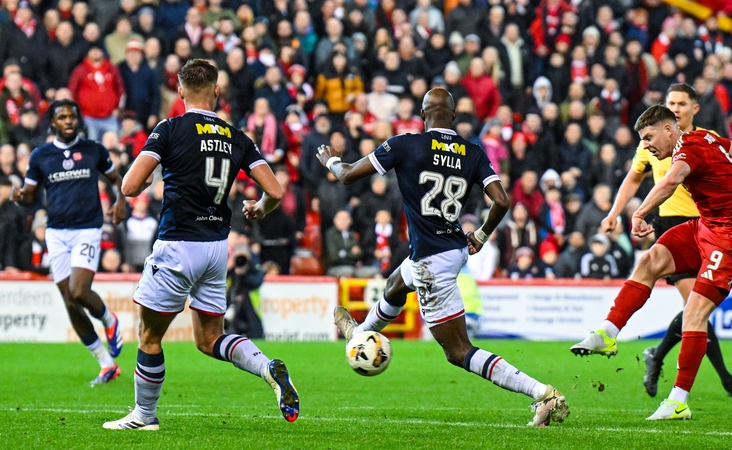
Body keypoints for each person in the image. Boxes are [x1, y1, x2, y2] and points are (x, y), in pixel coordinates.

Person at [316, 88, 569, 427]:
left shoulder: (404, 144)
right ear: (453, 116)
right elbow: (502, 201)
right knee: (396, 284)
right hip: (453, 247)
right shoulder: (473, 151)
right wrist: (481, 235)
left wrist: (330, 160)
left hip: (431, 259)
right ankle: (359, 334)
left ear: (422, 115)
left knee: (458, 351)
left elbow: (346, 175)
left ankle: (542, 394)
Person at [102, 60, 298, 431]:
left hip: (178, 243)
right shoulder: (236, 136)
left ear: (180, 92)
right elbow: (275, 191)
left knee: (149, 336)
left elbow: (129, 186)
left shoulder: (170, 128)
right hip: (216, 248)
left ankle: (144, 416)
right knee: (210, 338)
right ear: (217, 91)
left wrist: (150, 180)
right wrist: (259, 208)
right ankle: (266, 367)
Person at [571, 105, 732, 420]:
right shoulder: (707, 138)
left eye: (649, 137)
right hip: (707, 226)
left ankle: (678, 402)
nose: (646, 145)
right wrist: (729, 188)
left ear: (669, 129)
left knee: (694, 312)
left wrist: (639, 212)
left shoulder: (688, 149)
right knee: (650, 260)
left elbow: (671, 181)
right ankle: (607, 333)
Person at [10, 99, 126, 385]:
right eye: (62, 117)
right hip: (56, 233)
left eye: (72, 116)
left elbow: (116, 179)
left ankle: (109, 320)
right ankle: (106, 364)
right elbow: (30, 195)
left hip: (87, 229)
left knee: (79, 290)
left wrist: (120, 201)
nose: (68, 121)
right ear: (53, 122)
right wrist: (21, 196)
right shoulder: (41, 155)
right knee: (69, 302)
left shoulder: (94, 149)